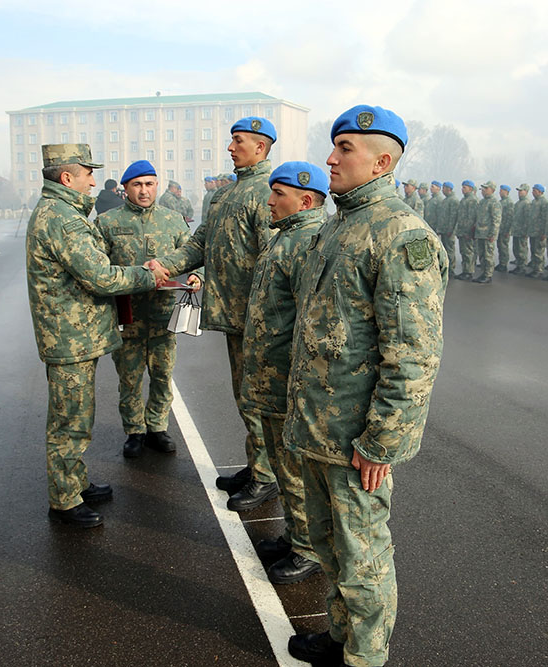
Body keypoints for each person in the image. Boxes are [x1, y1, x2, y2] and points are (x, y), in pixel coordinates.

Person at [285, 104, 446, 667]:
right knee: (330, 550)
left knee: (362, 558)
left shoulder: (400, 236)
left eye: (345, 148)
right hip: (316, 427)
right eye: (333, 146)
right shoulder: (341, 223)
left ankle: (366, 657)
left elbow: (413, 356)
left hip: (355, 439)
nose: (330, 157)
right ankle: (340, 637)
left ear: (382, 161)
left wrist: (382, 442)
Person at [26, 144, 165, 528]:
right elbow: (101, 276)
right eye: (87, 173)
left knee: (78, 416)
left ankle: (76, 481)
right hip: (69, 338)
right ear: (67, 178)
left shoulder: (62, 212)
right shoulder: (62, 219)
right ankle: (65, 500)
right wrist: (145, 275)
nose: (92, 180)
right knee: (70, 421)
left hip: (73, 336)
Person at [149, 116, 278, 511]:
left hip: (257, 320)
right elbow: (200, 243)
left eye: (238, 141)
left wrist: (269, 315)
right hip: (233, 316)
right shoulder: (225, 195)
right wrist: (167, 265)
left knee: (257, 398)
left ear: (260, 147)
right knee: (244, 396)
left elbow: (275, 262)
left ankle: (266, 476)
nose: (230, 147)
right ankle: (257, 465)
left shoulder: (268, 194)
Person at [240, 161, 327, 586]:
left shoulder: (307, 242)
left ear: (305, 200)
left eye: (278, 194)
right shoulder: (286, 237)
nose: (269, 202)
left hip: (285, 380)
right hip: (269, 378)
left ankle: (308, 548)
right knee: (280, 461)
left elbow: (309, 323)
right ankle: (295, 535)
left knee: (293, 470)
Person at [96, 160, 201, 458]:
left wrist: (197, 275)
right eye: (137, 185)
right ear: (125, 188)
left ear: (157, 185)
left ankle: (157, 427)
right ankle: (134, 431)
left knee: (162, 373)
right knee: (129, 377)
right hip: (127, 315)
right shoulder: (107, 223)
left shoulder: (173, 220)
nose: (144, 191)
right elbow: (98, 267)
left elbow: (194, 253)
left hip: (163, 313)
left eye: (150, 184)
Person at [472, 180, 501, 283]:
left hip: (488, 234)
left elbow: (496, 220)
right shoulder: (483, 202)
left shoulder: (494, 202)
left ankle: (488, 275)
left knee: (488, 255)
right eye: (483, 188)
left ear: (492, 190)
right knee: (482, 255)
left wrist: (493, 234)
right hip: (480, 233)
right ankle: (483, 272)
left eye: (486, 188)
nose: (483, 190)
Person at [454, 179, 478, 280]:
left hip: (467, 232)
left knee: (468, 252)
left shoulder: (472, 200)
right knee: (463, 252)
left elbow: (472, 218)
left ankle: (469, 272)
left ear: (471, 188)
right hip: (462, 231)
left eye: (464, 187)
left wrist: (469, 232)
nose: (462, 189)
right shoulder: (464, 200)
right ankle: (465, 270)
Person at [435, 182, 458, 275]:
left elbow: (453, 217)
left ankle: (451, 269)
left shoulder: (453, 200)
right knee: (445, 250)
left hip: (449, 231)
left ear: (449, 189)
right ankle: (446, 267)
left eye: (444, 188)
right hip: (444, 230)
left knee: (450, 250)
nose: (442, 190)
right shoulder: (446, 200)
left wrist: (450, 230)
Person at [527, 184, 548, 278]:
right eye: (532, 190)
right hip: (533, 231)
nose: (533, 192)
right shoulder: (534, 201)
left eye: (535, 190)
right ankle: (535, 268)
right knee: (534, 250)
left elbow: (545, 218)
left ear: (540, 192)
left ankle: (539, 270)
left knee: (539, 251)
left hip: (539, 232)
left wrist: (544, 232)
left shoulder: (544, 202)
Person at [510, 184, 531, 274]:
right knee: (516, 249)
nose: (519, 192)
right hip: (516, 230)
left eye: (521, 190)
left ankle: (522, 267)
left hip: (522, 231)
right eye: (519, 190)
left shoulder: (527, 203)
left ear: (526, 192)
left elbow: (527, 219)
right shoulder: (518, 203)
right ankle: (518, 265)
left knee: (522, 249)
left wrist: (525, 231)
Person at [495, 184, 513, 272]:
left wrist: (507, 230)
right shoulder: (501, 202)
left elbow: (509, 217)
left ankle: (504, 264)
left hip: (504, 229)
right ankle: (501, 263)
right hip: (500, 229)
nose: (500, 192)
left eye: (501, 190)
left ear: (506, 192)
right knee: (500, 247)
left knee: (504, 247)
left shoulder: (509, 203)